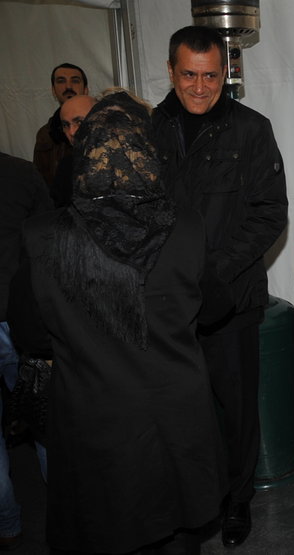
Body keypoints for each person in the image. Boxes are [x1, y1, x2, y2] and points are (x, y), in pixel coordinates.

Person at [17, 92, 225, 554]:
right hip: (176, 419)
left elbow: (32, 335)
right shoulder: (187, 227)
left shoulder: (42, 235)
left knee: (106, 533)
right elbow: (213, 309)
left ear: (85, 150)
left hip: (95, 423)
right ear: (147, 151)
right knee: (178, 536)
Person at [151, 25, 288, 548]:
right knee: (181, 409)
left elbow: (270, 212)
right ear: (171, 71)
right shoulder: (149, 129)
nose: (200, 86)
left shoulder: (252, 129)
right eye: (189, 74)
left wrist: (214, 271)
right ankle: (192, 499)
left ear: (226, 72)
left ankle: (236, 501)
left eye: (211, 76)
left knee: (236, 409)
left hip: (231, 299)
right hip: (167, 303)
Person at [0, 152, 52, 550]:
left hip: (16, 317)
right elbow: (49, 239)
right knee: (43, 415)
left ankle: (8, 524)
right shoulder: (19, 172)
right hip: (17, 314)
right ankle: (65, 512)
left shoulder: (20, 171)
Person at [33, 63, 88, 187]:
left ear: (85, 89)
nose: (68, 86)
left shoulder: (101, 128)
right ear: (53, 90)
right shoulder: (44, 134)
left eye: (75, 81)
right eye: (61, 81)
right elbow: (39, 181)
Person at [51, 94, 97, 208]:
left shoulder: (125, 162)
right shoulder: (66, 166)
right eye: (66, 125)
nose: (71, 132)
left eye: (79, 122)